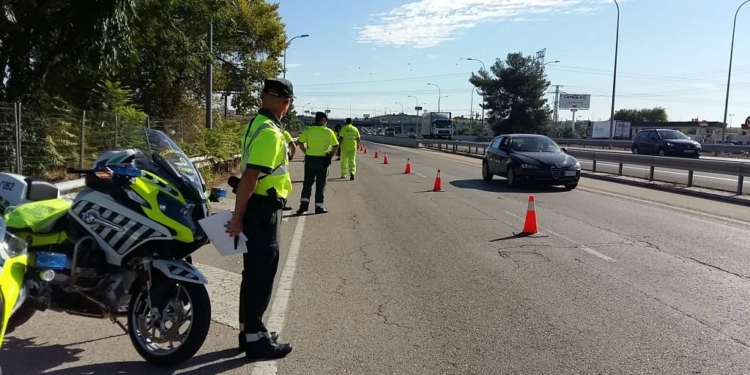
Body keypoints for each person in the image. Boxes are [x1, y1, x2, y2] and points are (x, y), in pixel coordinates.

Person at [225, 78, 294, 360]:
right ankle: (256, 342)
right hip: (263, 210)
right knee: (261, 276)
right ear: (286, 103)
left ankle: (250, 333)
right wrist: (238, 217)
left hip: (258, 207)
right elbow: (251, 177)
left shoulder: (257, 125)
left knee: (252, 274)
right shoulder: (270, 134)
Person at [295, 112, 339, 215]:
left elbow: (300, 143)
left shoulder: (307, 130)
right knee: (321, 184)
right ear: (323, 120)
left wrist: (306, 152)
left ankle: (303, 206)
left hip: (310, 160)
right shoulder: (328, 132)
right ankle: (319, 206)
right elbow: (335, 146)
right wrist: (330, 156)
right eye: (326, 121)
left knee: (307, 183)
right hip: (323, 161)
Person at [280, 122, 296, 211]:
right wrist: (291, 156)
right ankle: (282, 203)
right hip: (281, 163)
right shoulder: (284, 133)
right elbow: (293, 146)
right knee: (283, 183)